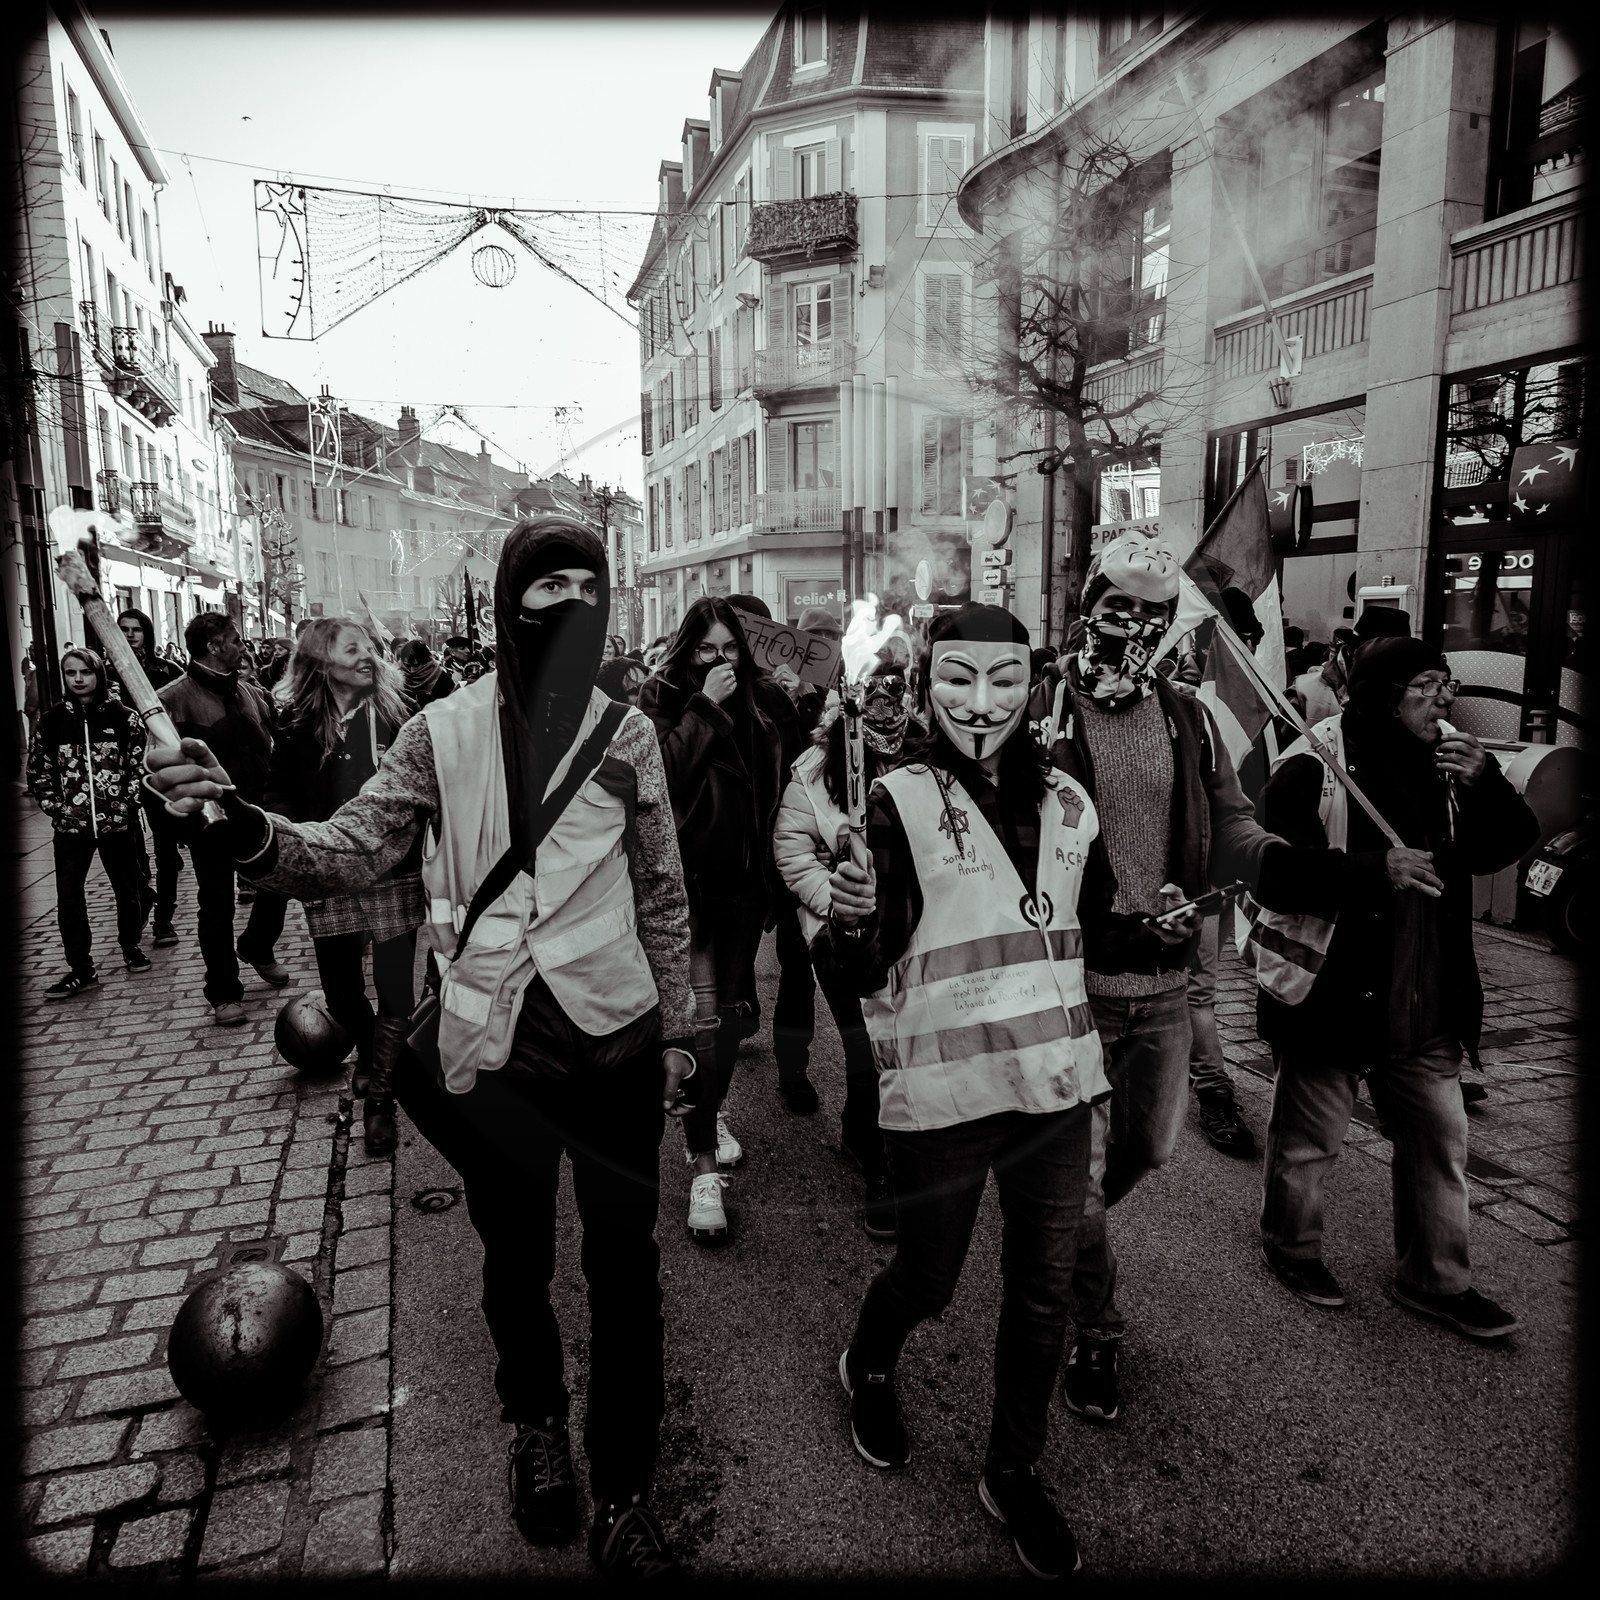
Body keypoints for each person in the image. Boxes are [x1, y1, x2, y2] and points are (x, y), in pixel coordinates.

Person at [145, 518, 695, 1580]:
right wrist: (239, 827)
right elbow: (349, 847)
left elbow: (662, 887)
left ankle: (626, 1483)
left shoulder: (627, 734)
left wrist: (676, 1027)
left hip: (619, 1044)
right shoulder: (439, 734)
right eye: (549, 586)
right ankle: (535, 1423)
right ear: (508, 601)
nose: (571, 603)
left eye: (590, 583)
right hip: (500, 1054)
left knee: (627, 1272)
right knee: (518, 1256)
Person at [822, 604, 1198, 1579]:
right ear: (927, 683)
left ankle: (1012, 1467)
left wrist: (1154, 924)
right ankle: (866, 1360)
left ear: (1031, 682)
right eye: (957, 678)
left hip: (1055, 1089)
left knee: (1041, 1293)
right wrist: (849, 917)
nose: (979, 702)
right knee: (930, 1278)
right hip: (943, 1098)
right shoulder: (894, 800)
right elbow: (863, 967)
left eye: (1001, 680)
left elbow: (1089, 930)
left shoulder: (1072, 801)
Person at [1036, 533, 1329, 1424]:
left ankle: (1052, 1225)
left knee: (1149, 1150)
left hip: (1163, 983)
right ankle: (1097, 1327)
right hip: (1067, 987)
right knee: (1078, 1188)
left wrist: (1288, 870)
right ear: (1088, 600)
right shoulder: (1038, 709)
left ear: (1170, 625)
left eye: (1150, 613)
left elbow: (1232, 828)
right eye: (1115, 603)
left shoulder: (1187, 715)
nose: (1130, 623)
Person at [1252, 638, 1538, 1337]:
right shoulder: (1312, 763)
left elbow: (1506, 845)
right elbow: (1271, 873)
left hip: (1425, 1000)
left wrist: (1487, 783)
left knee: (1440, 1146)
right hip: (1334, 995)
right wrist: (1375, 869)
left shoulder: (1450, 763)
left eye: (1447, 683)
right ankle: (1291, 1248)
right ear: (1385, 692)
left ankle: (1436, 1280)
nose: (1444, 699)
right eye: (1427, 684)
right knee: (1307, 1143)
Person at [638, 595, 799, 1239]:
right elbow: (665, 779)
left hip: (745, 887)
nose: (720, 659)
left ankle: (709, 1109)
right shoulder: (661, 699)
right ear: (687, 650)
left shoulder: (765, 704)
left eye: (730, 648)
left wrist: (828, 719)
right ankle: (703, 1164)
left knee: (731, 1022)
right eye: (707, 648)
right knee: (704, 1020)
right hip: (688, 888)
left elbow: (792, 779)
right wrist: (704, 703)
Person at [773, 646, 923, 1238]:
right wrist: (839, 899)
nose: (884, 706)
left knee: (906, 1046)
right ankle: (876, 1161)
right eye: (872, 693)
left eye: (895, 692)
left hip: (913, 933)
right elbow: (793, 853)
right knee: (867, 1048)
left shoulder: (932, 759)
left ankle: (883, 1137)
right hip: (841, 939)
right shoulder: (813, 771)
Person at [264, 621, 425, 1154]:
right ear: (319, 662)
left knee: (397, 986)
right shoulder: (294, 726)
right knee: (340, 990)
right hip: (328, 869)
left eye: (368, 648)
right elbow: (278, 794)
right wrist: (293, 838)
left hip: (393, 869)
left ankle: (380, 1098)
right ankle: (374, 1050)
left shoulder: (401, 718)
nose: (368, 656)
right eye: (350, 648)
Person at [158, 613, 290, 1026]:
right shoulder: (171, 700)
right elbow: (162, 773)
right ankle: (223, 992)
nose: (243, 645)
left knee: (281, 879)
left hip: (256, 809)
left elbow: (273, 745)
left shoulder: (251, 692)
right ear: (213, 647)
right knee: (216, 905)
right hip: (208, 818)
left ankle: (257, 944)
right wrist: (182, 820)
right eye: (235, 639)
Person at [28, 647, 153, 997]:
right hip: (71, 828)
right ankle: (81, 968)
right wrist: (58, 808)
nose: (79, 679)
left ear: (98, 673)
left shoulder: (124, 718)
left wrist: (127, 804)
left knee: (128, 891)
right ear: (64, 677)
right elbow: (39, 771)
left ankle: (131, 945)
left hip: (116, 824)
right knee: (69, 897)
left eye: (85, 672)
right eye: (71, 673)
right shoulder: (52, 722)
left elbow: (141, 766)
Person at [396, 638, 457, 707]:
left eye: (416, 665)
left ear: (425, 661)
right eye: (407, 666)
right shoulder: (400, 679)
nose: (412, 671)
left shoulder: (442, 678)